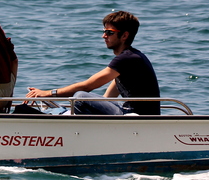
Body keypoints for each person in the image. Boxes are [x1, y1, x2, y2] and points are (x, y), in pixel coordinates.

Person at [25, 11, 160, 115]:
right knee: (80, 100)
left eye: (109, 32)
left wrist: (48, 93)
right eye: (104, 31)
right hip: (131, 113)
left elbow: (88, 86)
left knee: (80, 97)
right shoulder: (128, 61)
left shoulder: (128, 58)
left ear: (124, 36)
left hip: (138, 116)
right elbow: (106, 99)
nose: (104, 36)